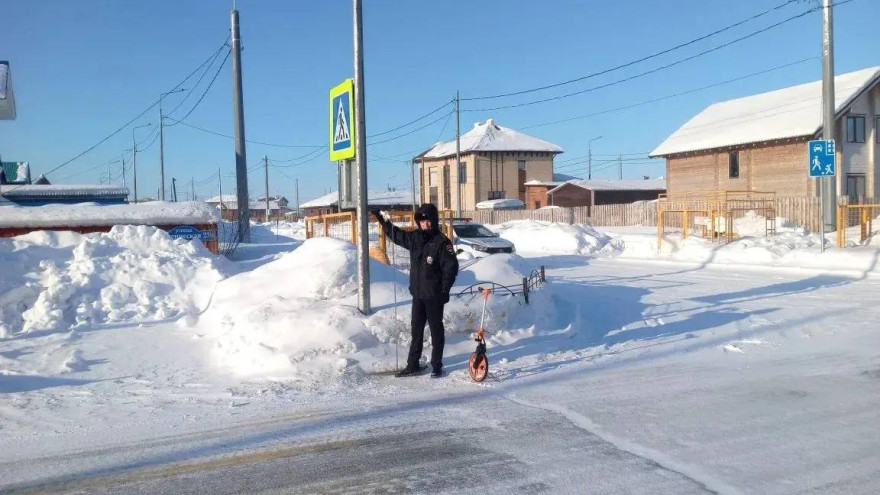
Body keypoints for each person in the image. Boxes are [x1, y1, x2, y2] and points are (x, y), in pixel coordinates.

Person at [372, 203, 459, 378]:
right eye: (421, 221)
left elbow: (451, 267)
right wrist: (382, 221)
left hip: (434, 295)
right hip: (418, 295)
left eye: (427, 221)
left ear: (433, 221)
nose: (424, 225)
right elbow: (397, 236)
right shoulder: (415, 238)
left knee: (436, 331)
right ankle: (413, 365)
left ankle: (436, 365)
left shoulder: (442, 242)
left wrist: (444, 290)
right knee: (416, 331)